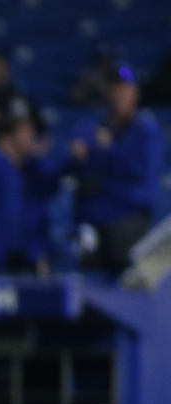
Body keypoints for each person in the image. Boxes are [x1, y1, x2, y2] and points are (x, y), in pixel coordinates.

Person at [64, 64, 164, 277]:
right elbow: (69, 167)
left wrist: (109, 151)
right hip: (92, 226)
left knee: (128, 287)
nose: (119, 94)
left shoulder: (146, 130)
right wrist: (75, 156)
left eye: (125, 89)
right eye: (115, 88)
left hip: (128, 225)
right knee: (86, 284)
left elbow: (141, 171)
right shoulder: (91, 128)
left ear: (135, 93)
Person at [0, 116, 60, 273]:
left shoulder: (36, 168)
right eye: (25, 133)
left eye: (32, 134)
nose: (31, 139)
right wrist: (8, 161)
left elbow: (52, 185)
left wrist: (39, 252)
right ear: (9, 137)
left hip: (28, 253)